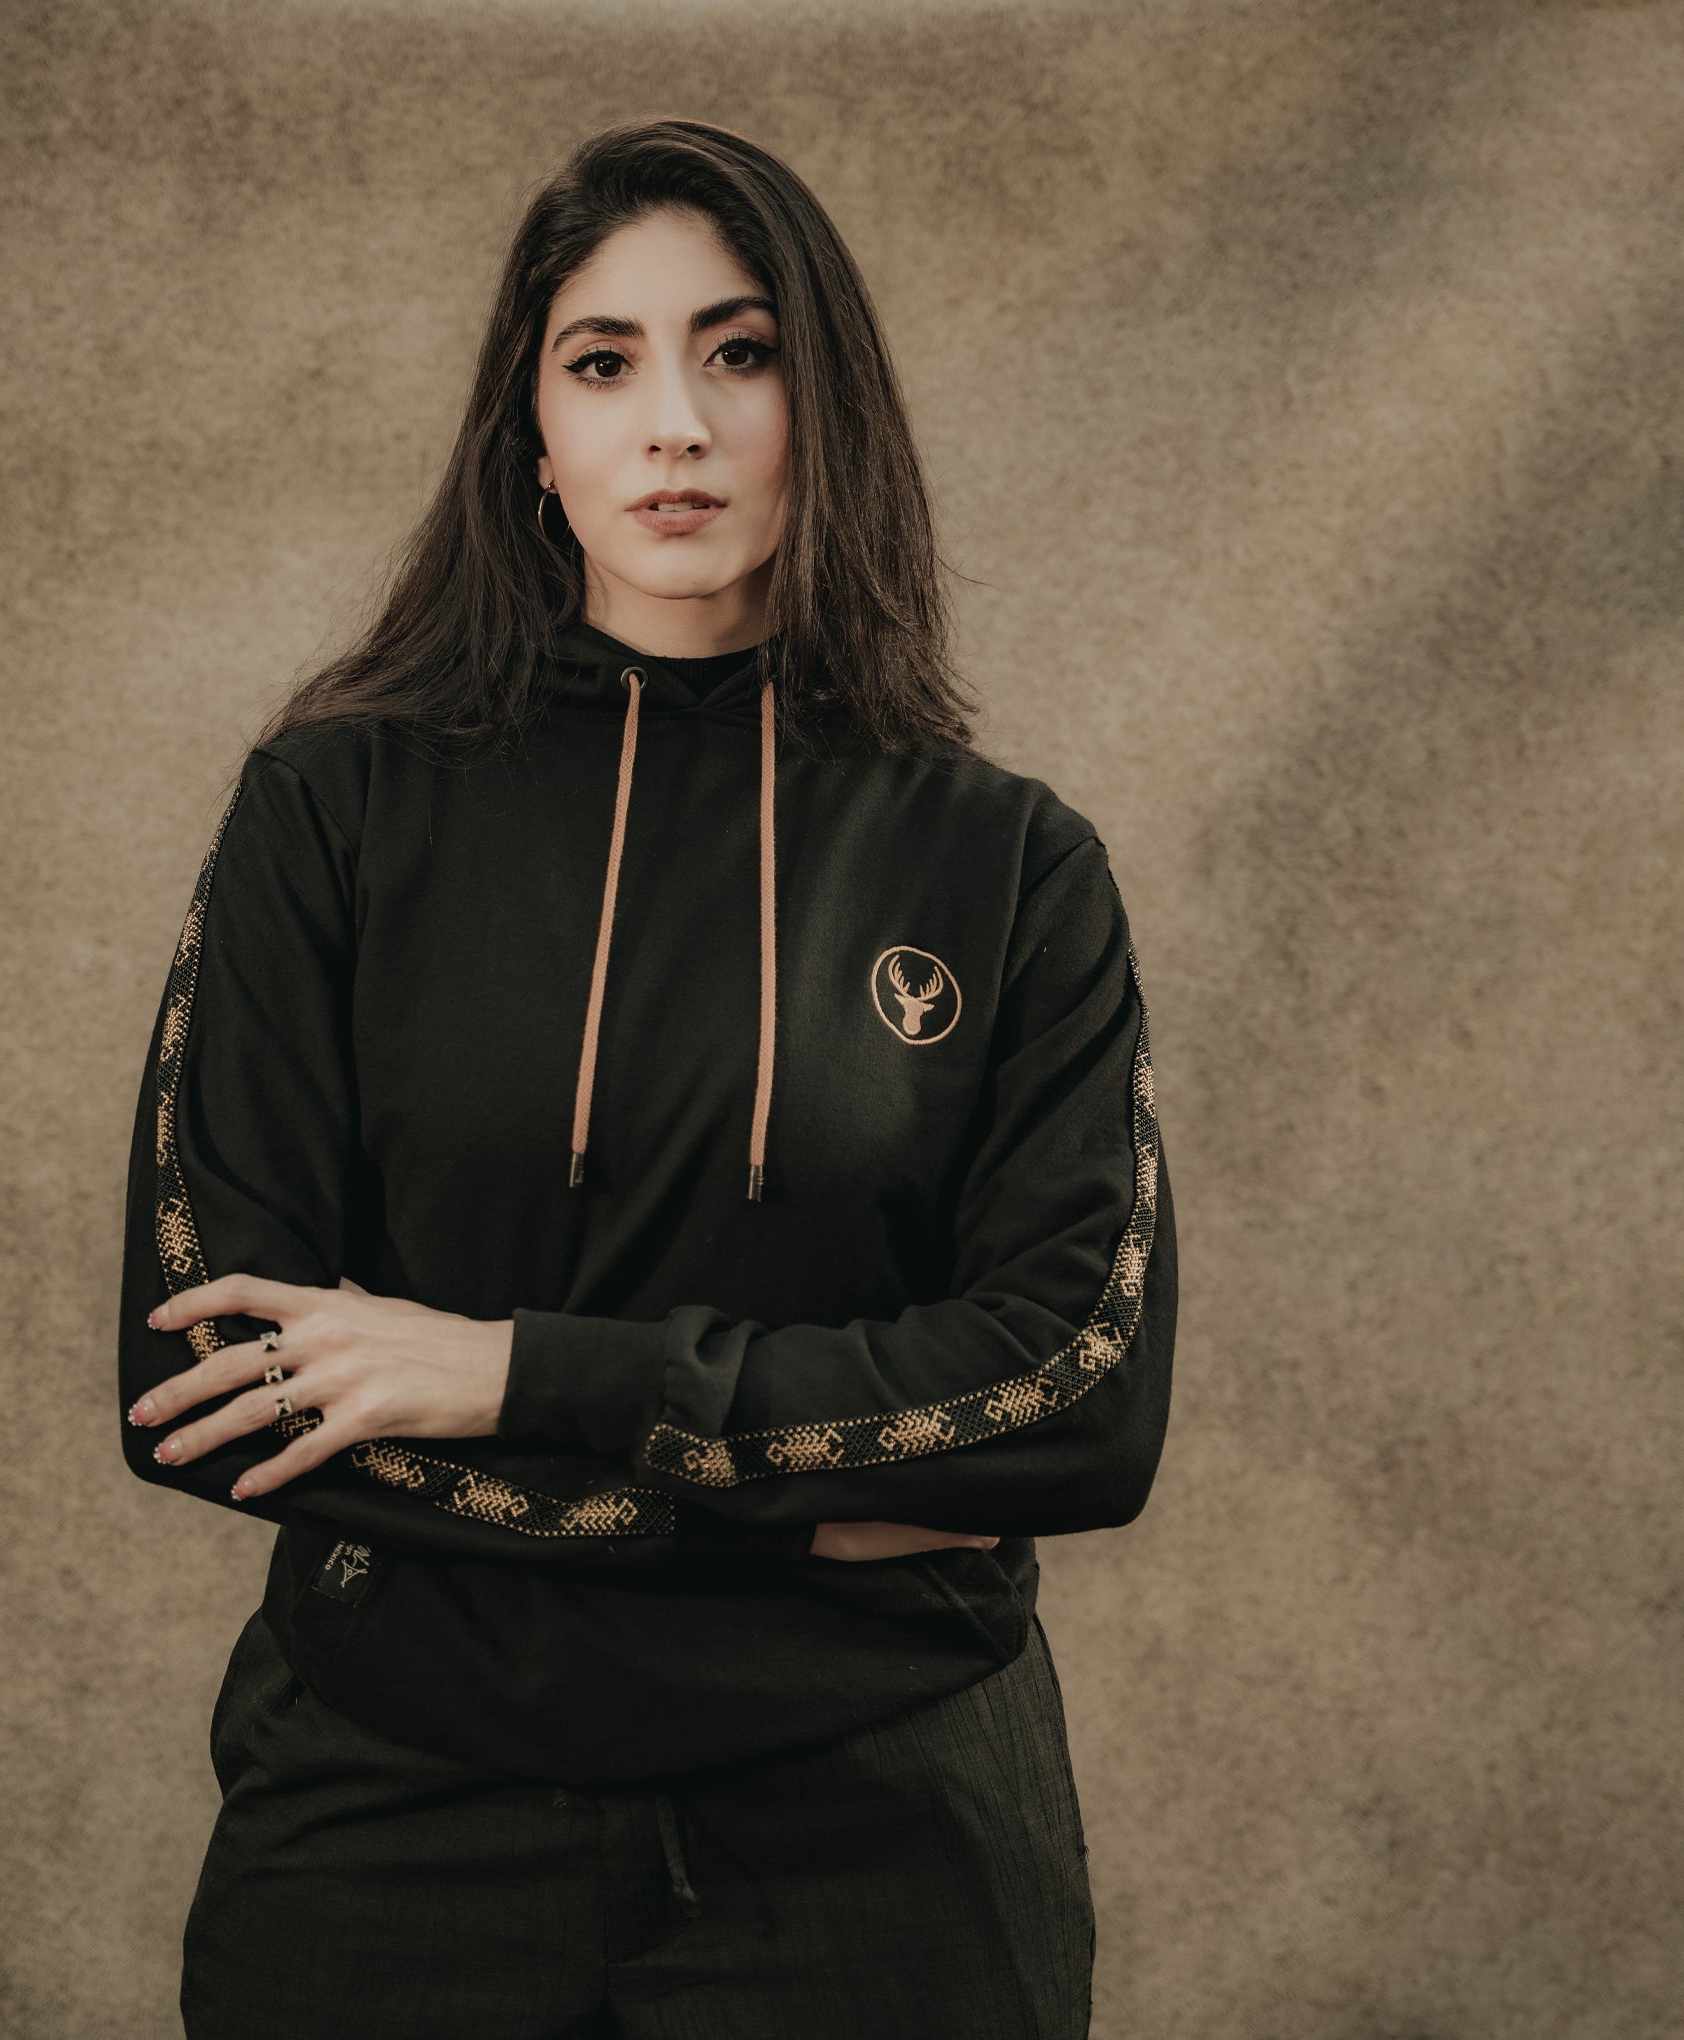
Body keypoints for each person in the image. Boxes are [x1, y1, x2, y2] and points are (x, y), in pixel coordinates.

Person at [117, 114, 1175, 2040]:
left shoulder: (1012, 866)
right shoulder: (332, 812)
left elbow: (1080, 1403)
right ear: (531, 437)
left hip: (886, 1826)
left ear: (824, 408)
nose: (673, 425)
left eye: (738, 353)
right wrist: (815, 1507)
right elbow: (210, 1377)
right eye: (603, 363)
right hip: (392, 1809)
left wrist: (517, 1373)